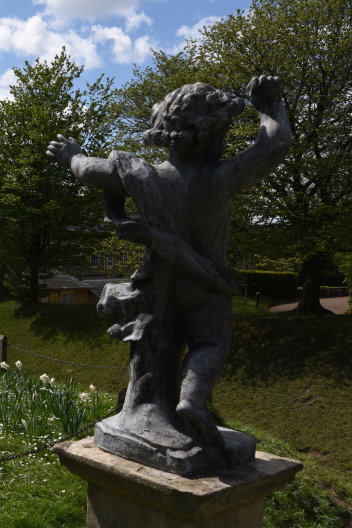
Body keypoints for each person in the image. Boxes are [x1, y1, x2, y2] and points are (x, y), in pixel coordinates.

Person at [47, 75, 291, 446]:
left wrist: (72, 155)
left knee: (154, 350)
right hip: (206, 283)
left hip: (158, 284)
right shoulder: (223, 177)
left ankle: (148, 410)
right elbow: (274, 145)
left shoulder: (143, 175)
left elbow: (88, 172)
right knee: (210, 343)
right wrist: (270, 107)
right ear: (213, 135)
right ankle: (192, 397)